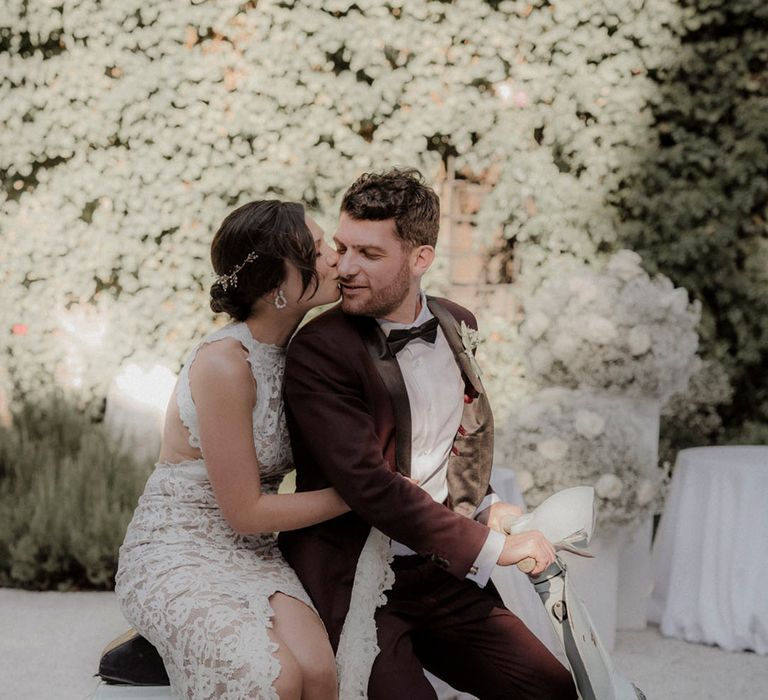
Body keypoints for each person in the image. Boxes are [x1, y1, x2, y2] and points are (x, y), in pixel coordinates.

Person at [279, 169, 577, 699]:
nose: (345, 268)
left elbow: (453, 439)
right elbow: (369, 486)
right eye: (343, 248)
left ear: (421, 259)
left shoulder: (457, 323)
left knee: (551, 688)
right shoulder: (319, 350)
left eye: (369, 255)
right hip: (356, 572)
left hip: (440, 572)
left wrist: (486, 506)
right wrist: (492, 546)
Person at [115, 200, 348, 700]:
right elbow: (245, 511)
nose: (335, 257)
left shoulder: (302, 353)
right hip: (177, 550)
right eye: (317, 249)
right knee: (276, 677)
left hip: (254, 553)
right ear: (273, 286)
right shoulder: (225, 364)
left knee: (321, 674)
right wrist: (361, 495)